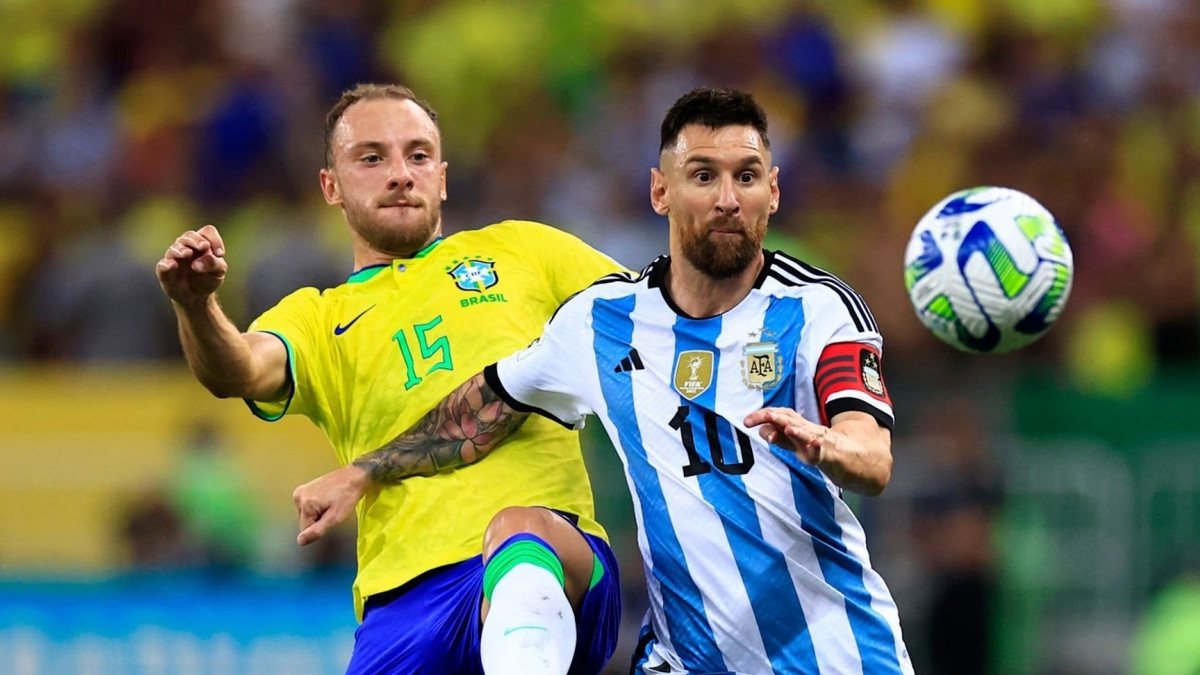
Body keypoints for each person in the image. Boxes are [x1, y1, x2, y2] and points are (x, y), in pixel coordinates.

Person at [312, 86, 915, 674]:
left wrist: (828, 445)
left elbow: (872, 456)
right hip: (683, 658)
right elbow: (478, 412)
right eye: (703, 176)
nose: (728, 199)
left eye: (747, 177)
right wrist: (366, 470)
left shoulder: (817, 308)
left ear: (773, 191)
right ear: (661, 191)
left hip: (834, 651)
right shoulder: (600, 321)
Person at [154, 83, 624, 675]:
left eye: (418, 155)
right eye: (372, 158)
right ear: (331, 186)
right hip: (401, 602)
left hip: (552, 558)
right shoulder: (318, 319)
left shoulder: (525, 251)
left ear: (442, 178)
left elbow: (655, 323)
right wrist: (196, 306)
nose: (401, 174)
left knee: (520, 533)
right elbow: (238, 370)